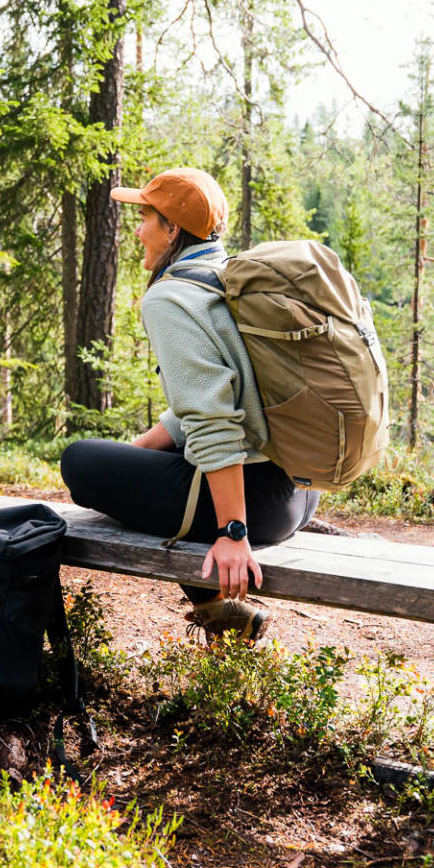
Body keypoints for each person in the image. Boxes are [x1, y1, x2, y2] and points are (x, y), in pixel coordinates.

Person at [60, 167, 319, 640]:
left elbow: (211, 418)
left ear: (172, 228)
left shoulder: (172, 297)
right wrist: (132, 457)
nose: (137, 231)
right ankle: (224, 616)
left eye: (144, 217)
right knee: (140, 469)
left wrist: (234, 533)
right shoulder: (230, 277)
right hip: (299, 495)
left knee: (79, 462)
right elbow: (202, 407)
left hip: (255, 507)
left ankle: (223, 608)